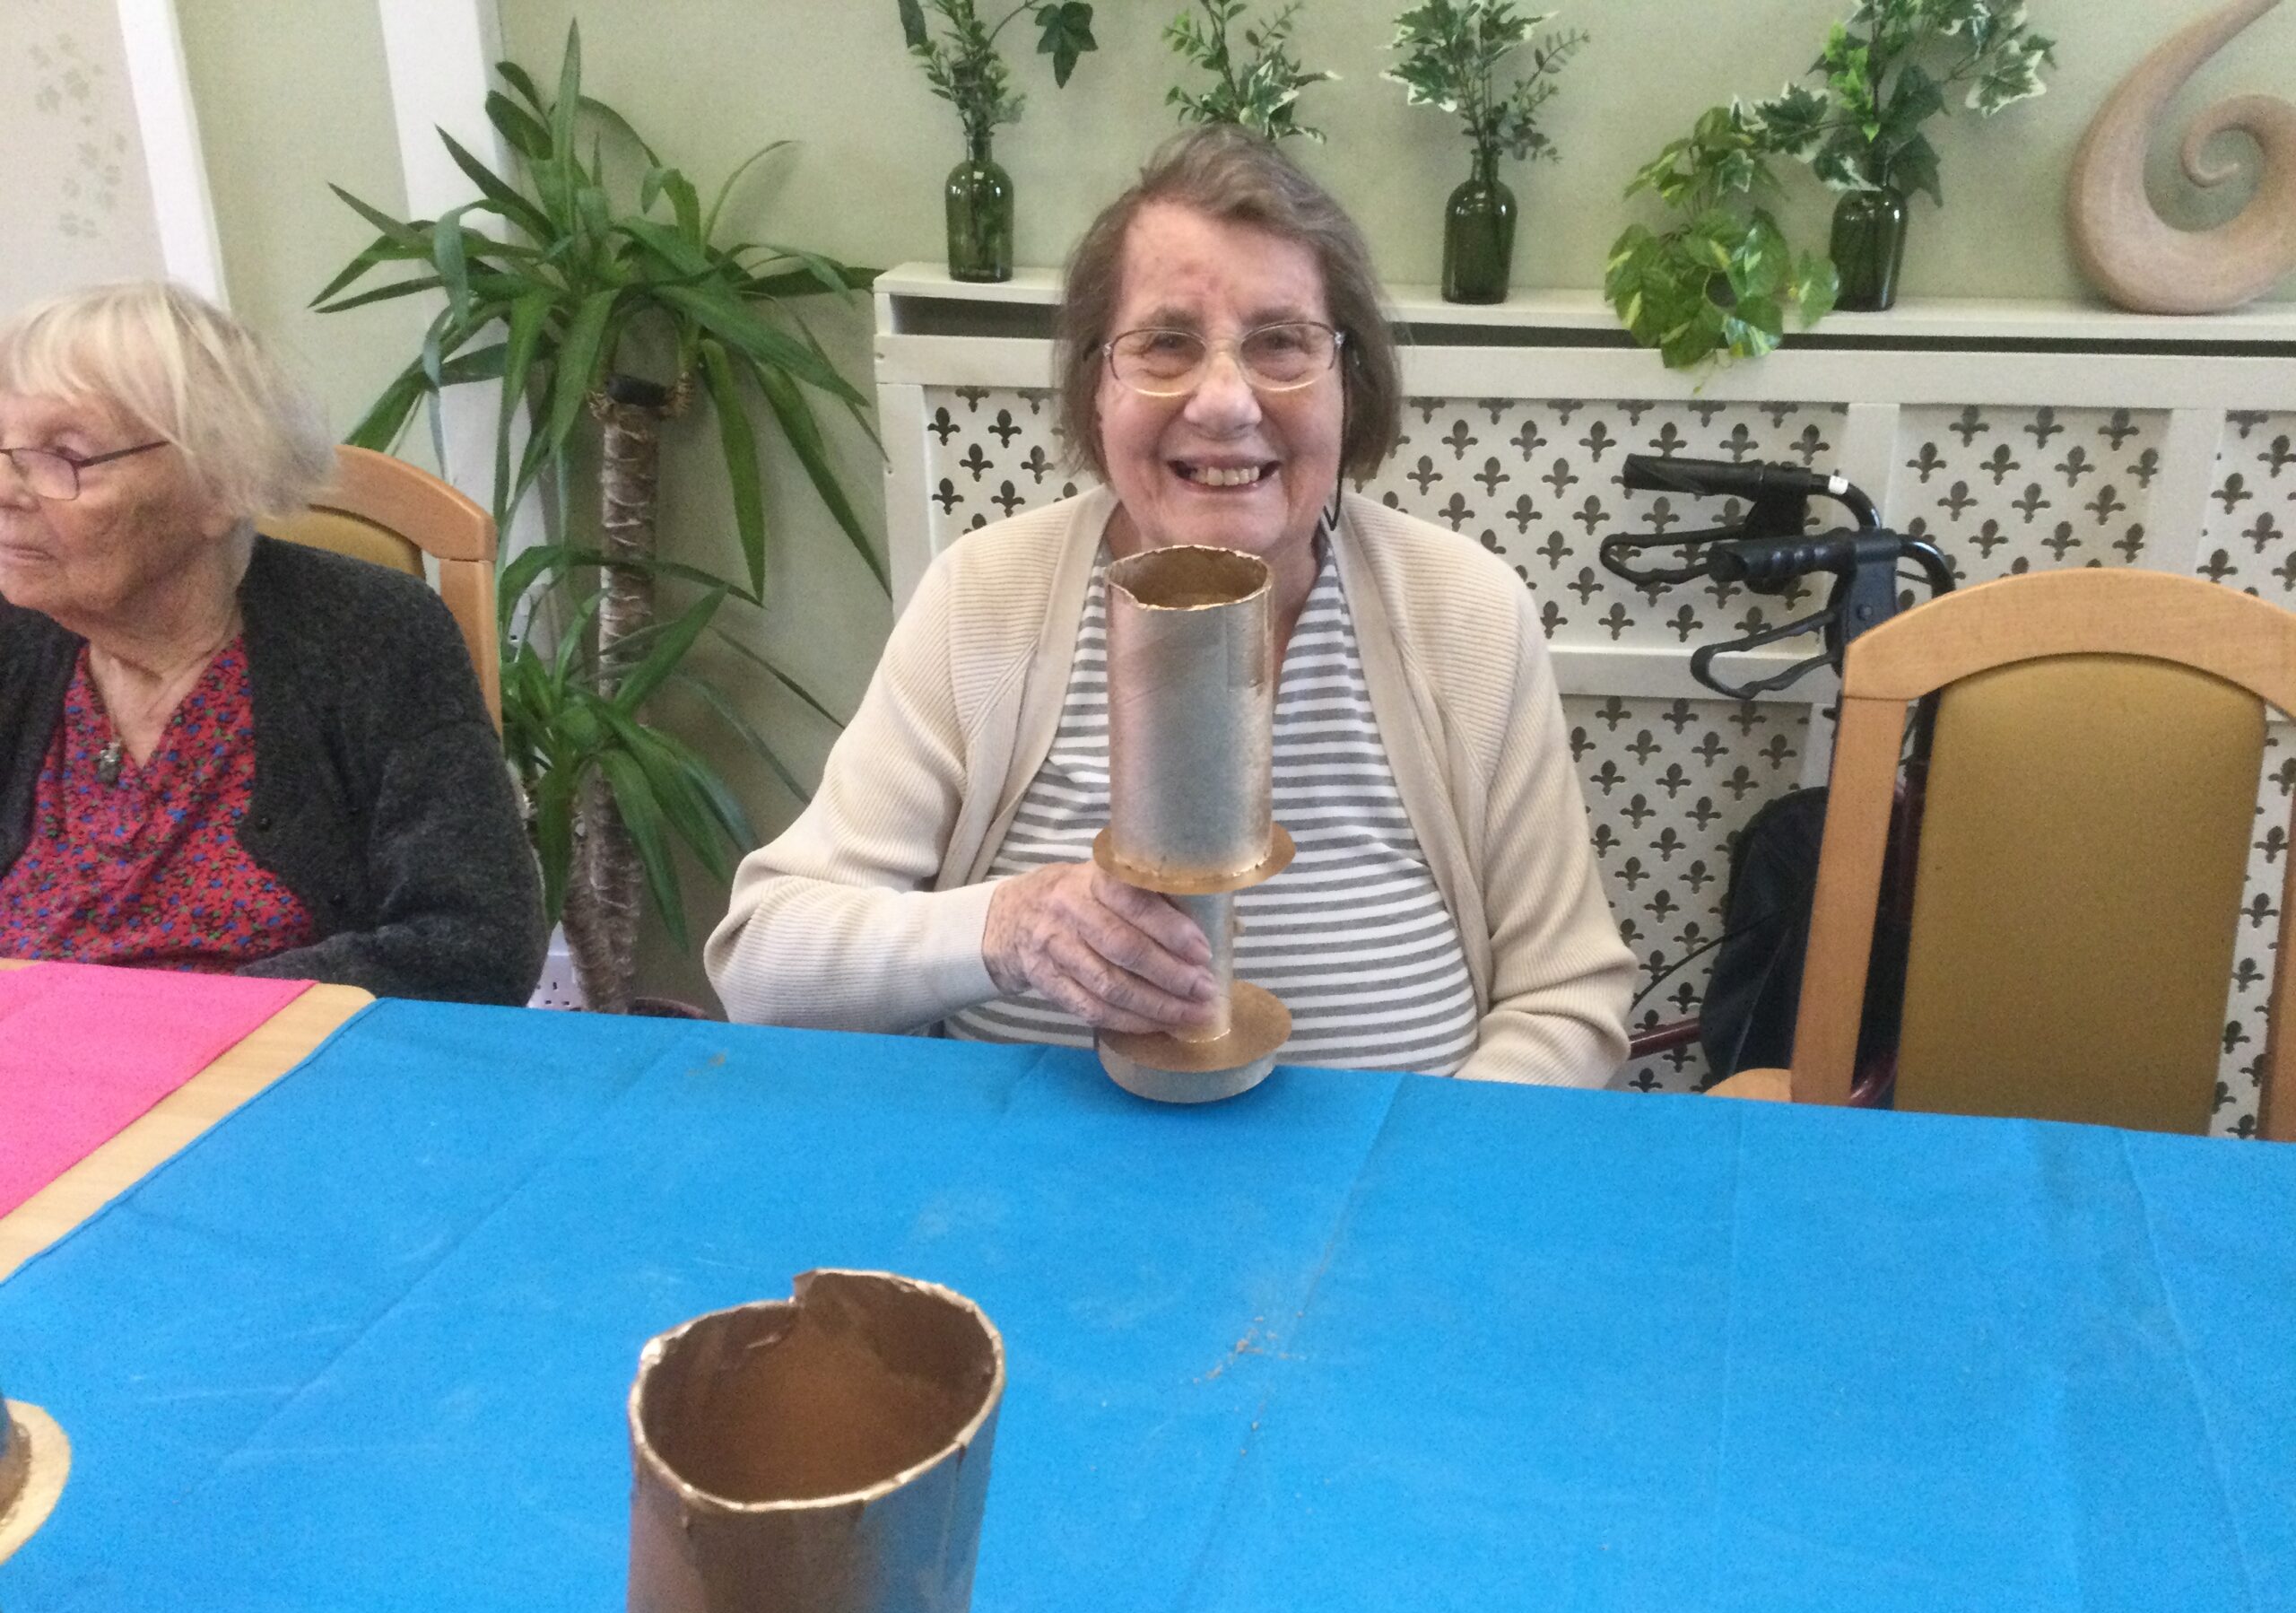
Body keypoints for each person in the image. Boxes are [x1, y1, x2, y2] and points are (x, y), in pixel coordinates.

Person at [708, 128, 1633, 1084]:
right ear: (1096, 390)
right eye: (1163, 345)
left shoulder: (1466, 612)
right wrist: (1007, 929)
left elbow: (1567, 1000)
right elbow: (765, 969)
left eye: (1281, 343)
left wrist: (1399, 1194)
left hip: (1379, 1212)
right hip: (1025, 1208)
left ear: (1349, 387)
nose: (1226, 401)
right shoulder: (984, 599)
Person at [0, 280, 545, 1004]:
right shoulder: (18, 641)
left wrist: (158, 1021)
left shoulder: (371, 634)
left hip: (274, 1079)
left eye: (64, 454)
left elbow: (472, 942)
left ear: (221, 485)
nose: (9, 489)